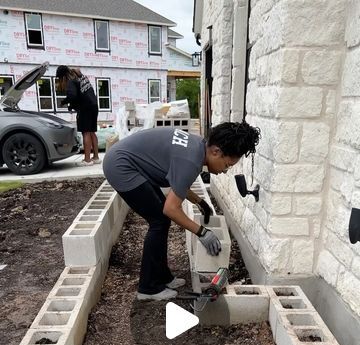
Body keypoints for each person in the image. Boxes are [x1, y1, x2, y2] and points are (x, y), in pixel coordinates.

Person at [103, 121, 261, 301]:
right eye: (227, 165)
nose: (225, 171)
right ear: (216, 151)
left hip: (128, 162)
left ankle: (162, 277)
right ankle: (148, 288)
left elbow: (178, 181)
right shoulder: (190, 160)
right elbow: (171, 208)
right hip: (122, 167)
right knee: (159, 220)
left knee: (160, 219)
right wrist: (202, 232)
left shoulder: (197, 147)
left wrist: (200, 202)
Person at [55, 65, 100, 167]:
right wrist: (73, 105)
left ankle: (87, 160)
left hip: (85, 109)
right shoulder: (81, 76)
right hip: (93, 105)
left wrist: (65, 102)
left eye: (60, 79)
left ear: (63, 76)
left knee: (86, 133)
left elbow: (72, 95)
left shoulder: (71, 80)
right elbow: (82, 93)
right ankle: (96, 158)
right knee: (92, 132)